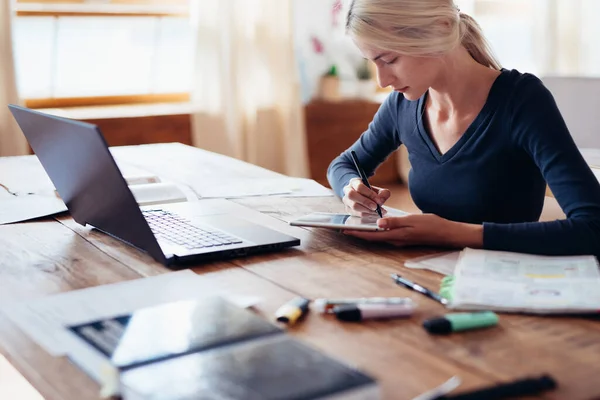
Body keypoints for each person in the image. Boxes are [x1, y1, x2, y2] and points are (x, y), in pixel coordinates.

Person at [327, 0, 600, 257]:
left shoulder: (522, 101)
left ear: (439, 29)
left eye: (389, 60)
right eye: (372, 62)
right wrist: (351, 188)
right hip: (426, 273)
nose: (382, 80)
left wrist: (454, 234)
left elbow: (593, 227)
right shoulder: (401, 105)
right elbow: (343, 165)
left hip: (509, 283)